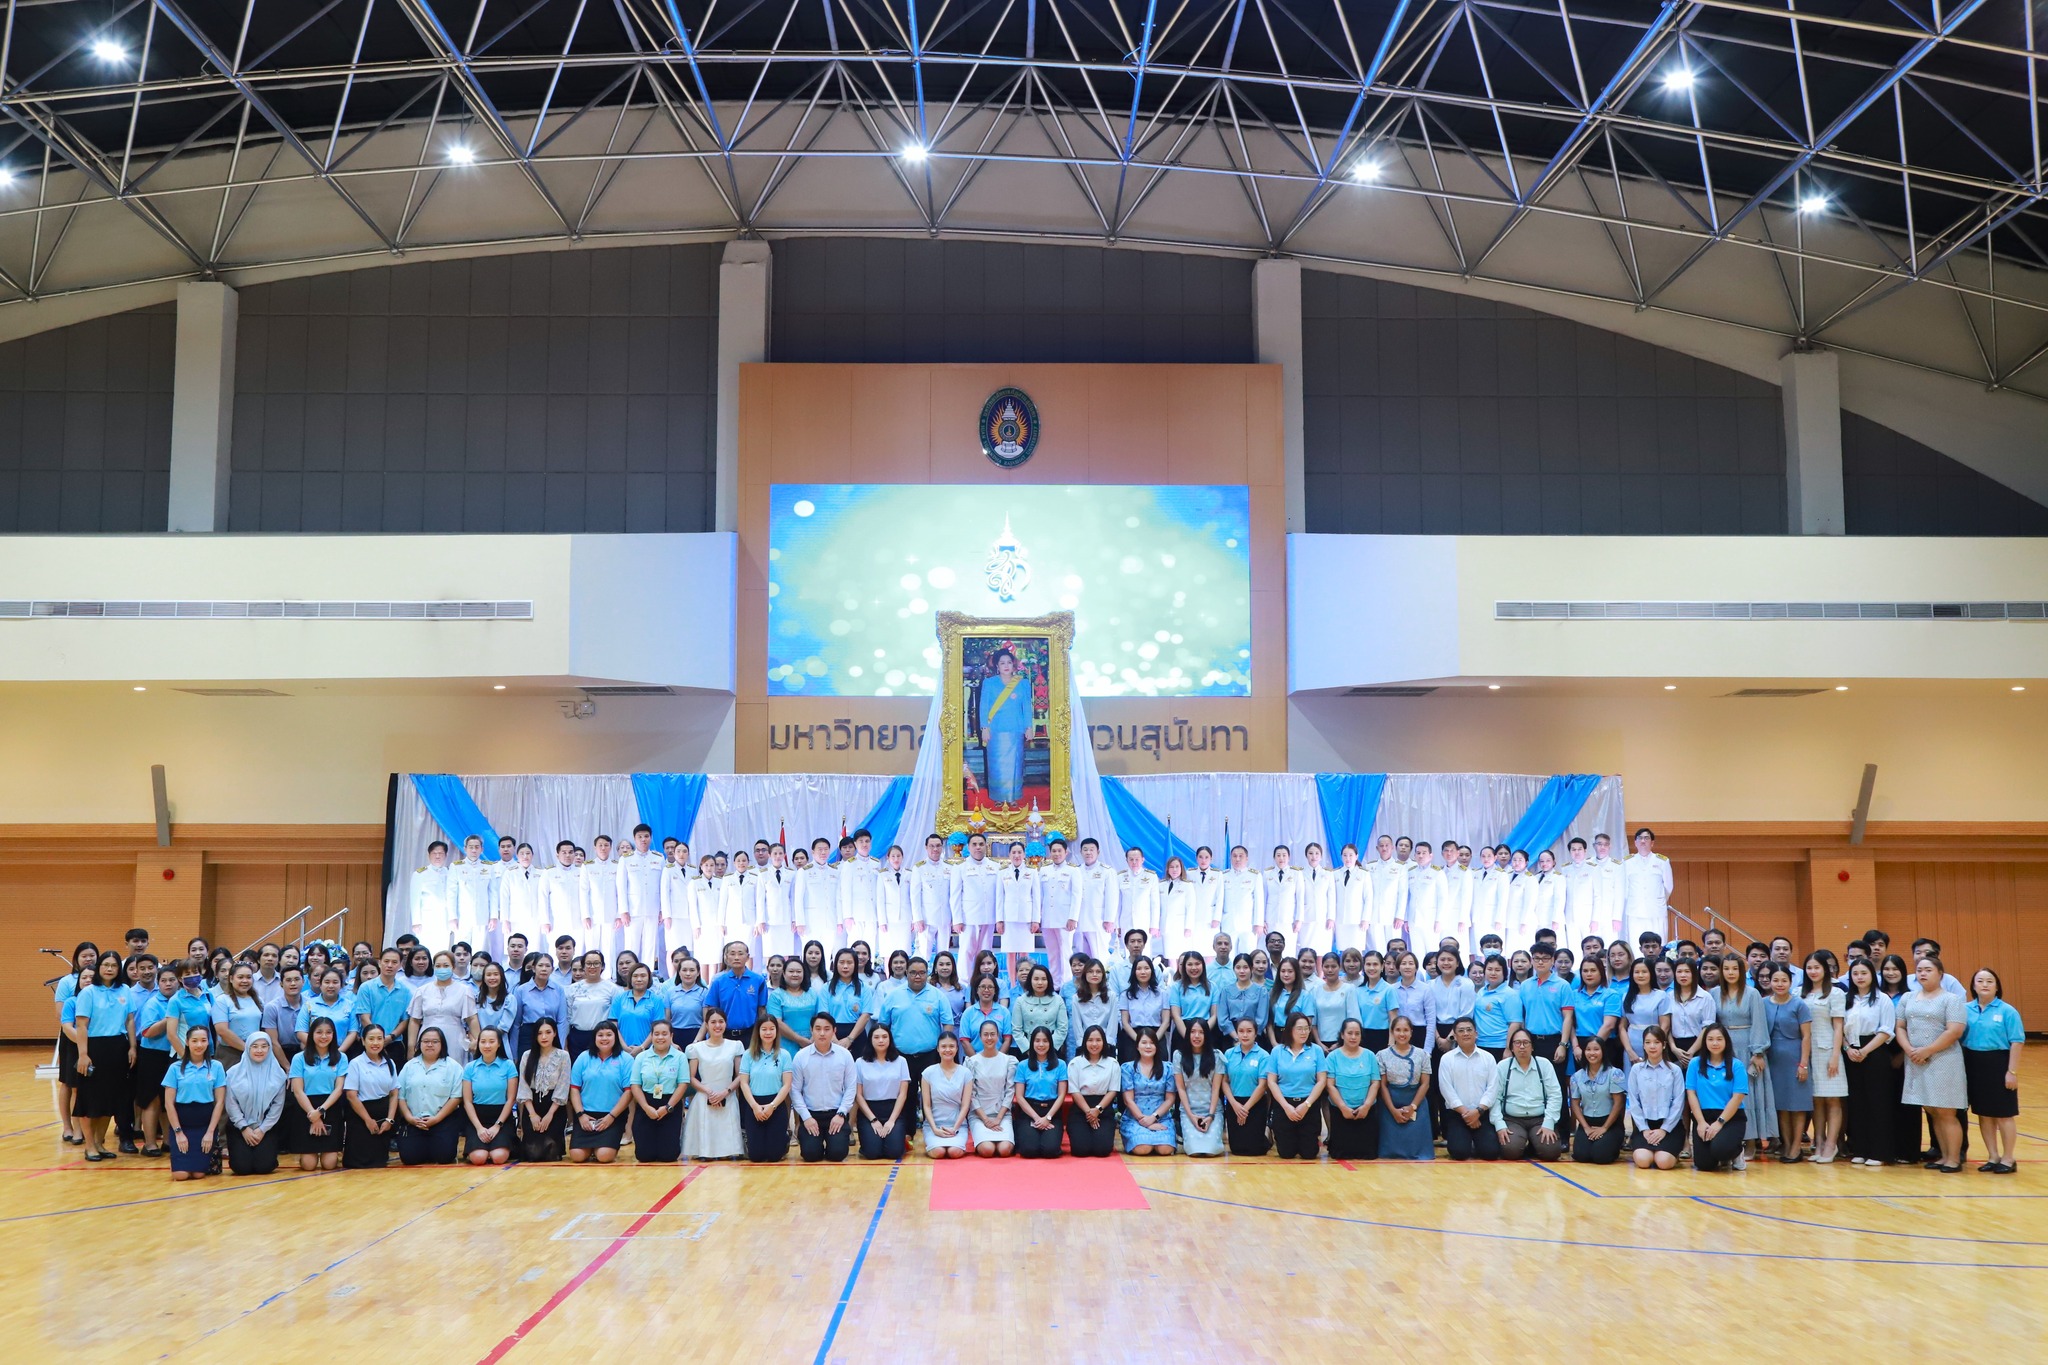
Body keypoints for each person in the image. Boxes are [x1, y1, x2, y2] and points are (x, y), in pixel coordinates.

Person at [1899, 955, 1968, 1172]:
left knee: (1946, 1111)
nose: (1923, 973)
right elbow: (1899, 1027)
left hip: (1943, 1060)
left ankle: (1954, 1158)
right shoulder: (1908, 998)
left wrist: (1928, 1050)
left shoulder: (1951, 999)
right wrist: (1909, 1050)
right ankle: (1943, 1155)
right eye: (1919, 970)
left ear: (1940, 974)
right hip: (1916, 1060)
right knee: (1932, 1110)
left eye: (1928, 970)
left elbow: (1955, 1031)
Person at [69, 953, 135, 1162]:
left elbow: (130, 1021)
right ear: (99, 967)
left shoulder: (125, 990)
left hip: (118, 1047)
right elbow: (81, 1025)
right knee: (90, 1100)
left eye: (114, 965)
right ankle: (89, 1145)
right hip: (94, 1048)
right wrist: (83, 1054)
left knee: (111, 1099)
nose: (109, 969)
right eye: (105, 965)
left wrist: (132, 1047)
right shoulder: (88, 992)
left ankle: (99, 1142)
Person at [1963, 969, 2023, 1174]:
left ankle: (2008, 1158)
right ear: (1973, 986)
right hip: (1973, 1063)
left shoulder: (2007, 1011)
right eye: (1980, 981)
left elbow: (2017, 1042)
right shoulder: (1965, 1009)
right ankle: (1993, 1156)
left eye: (1990, 981)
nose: (1985, 984)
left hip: (1999, 1063)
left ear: (1997, 986)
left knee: (2004, 1114)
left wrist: (2011, 1071)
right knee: (1984, 1113)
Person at [1839, 958, 1897, 1166]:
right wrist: (1847, 1048)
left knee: (1877, 1103)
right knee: (1856, 1103)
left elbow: (1886, 1030)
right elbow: (1838, 1027)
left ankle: (1879, 1152)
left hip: (1875, 1051)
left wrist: (1865, 1050)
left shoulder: (1883, 999)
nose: (1859, 977)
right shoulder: (1845, 999)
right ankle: (1860, 1149)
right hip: (1850, 1052)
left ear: (1872, 975)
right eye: (1855, 974)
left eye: (1864, 973)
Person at [1763, 963, 1814, 1161]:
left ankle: (1796, 1146)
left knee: (1797, 1105)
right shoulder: (1764, 1003)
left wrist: (1803, 1064)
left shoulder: (1799, 1005)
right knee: (1781, 1105)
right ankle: (1786, 1143)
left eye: (1784, 980)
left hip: (1795, 1058)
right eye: (1775, 980)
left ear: (1791, 982)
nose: (1779, 984)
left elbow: (1806, 1036)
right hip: (1773, 1061)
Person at [792, 1013, 858, 1163]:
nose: (822, 1033)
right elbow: (795, 1090)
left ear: (834, 1031)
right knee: (810, 1155)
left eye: (827, 1029)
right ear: (811, 1030)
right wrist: (806, 1117)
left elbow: (851, 1087)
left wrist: (841, 1114)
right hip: (811, 1115)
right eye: (818, 1029)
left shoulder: (845, 1055)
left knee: (837, 1154)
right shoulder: (800, 1057)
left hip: (836, 1114)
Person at [162, 1025, 225, 1181]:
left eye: (203, 1040)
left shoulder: (216, 1067)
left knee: (199, 1174)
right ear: (187, 1042)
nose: (199, 1045)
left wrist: (210, 1132)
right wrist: (178, 1133)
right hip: (182, 1123)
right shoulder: (175, 1068)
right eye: (195, 1041)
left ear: (208, 1042)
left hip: (205, 1124)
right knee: (180, 1175)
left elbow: (219, 1102)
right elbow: (169, 1104)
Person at [1800, 953, 1847, 1162]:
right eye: (1809, 968)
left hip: (1828, 1050)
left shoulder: (1836, 993)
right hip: (1807, 1052)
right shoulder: (1799, 993)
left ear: (1825, 970)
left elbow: (1838, 1027)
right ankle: (1818, 1142)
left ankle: (1831, 1144)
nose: (1813, 971)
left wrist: (1835, 1055)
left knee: (1833, 1098)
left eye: (1817, 967)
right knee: (1816, 1099)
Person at [395, 1026, 464, 1166]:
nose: (430, 1044)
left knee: (444, 1157)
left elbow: (456, 1097)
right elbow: (400, 1096)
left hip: (442, 1120)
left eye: (435, 1041)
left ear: (442, 1044)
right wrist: (409, 1118)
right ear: (419, 1044)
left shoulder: (454, 1067)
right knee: (409, 1158)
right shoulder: (409, 1066)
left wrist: (437, 1119)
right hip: (415, 1121)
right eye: (426, 1041)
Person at [1492, 1025, 1563, 1161]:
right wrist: (1499, 1125)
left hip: (1539, 1118)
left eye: (1526, 1042)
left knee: (1551, 1152)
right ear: (1512, 1047)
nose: (1522, 1046)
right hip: (1512, 1118)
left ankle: (1534, 1145)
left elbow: (1555, 1095)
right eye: (1517, 1043)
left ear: (1532, 1046)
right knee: (1510, 1151)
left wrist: (1549, 1123)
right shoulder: (1503, 1066)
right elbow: (1495, 1098)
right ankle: (1523, 1143)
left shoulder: (1544, 1064)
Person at [286, 1016, 348, 1171]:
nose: (324, 1036)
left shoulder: (341, 1057)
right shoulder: (299, 1058)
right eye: (319, 1032)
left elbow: (339, 1089)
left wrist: (320, 1111)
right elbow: (298, 1091)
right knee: (309, 1165)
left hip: (330, 1108)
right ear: (311, 1034)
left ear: (333, 1035)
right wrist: (313, 1115)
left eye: (328, 1032)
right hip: (306, 1109)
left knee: (329, 1164)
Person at [223, 1030, 288, 1176]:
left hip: (266, 1127)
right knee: (241, 1168)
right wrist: (244, 1128)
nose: (259, 1050)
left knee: (264, 1167)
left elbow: (277, 1106)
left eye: (264, 1046)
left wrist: (262, 1129)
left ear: (269, 1048)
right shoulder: (233, 1073)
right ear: (248, 1048)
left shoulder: (279, 1075)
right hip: (239, 1127)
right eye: (255, 1046)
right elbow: (231, 1104)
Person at [567, 1020, 632, 1163]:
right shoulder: (583, 1057)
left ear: (615, 1037)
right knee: (577, 1156)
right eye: (600, 1035)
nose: (604, 1038)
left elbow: (628, 1092)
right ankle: (591, 1149)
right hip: (586, 1115)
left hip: (612, 1115)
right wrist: (581, 1115)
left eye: (609, 1034)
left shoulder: (626, 1059)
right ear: (594, 1038)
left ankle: (600, 1148)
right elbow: (574, 1089)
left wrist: (611, 1117)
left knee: (604, 1156)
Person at [1686, 1022, 1748, 1172]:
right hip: (1704, 1117)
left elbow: (1737, 1098)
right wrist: (1700, 1122)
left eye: (1719, 1039)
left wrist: (1719, 1123)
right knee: (1704, 1165)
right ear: (1704, 1042)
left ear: (1726, 1042)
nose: (1715, 1043)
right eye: (1710, 1039)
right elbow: (1691, 1093)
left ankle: (1736, 1152)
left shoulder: (1737, 1065)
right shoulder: (1695, 1064)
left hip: (1730, 1118)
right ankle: (1718, 1153)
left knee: (1721, 1150)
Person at [1437, 1018, 1502, 1161]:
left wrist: (1478, 1111)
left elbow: (1492, 1089)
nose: (1465, 1033)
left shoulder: (1488, 1058)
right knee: (1459, 1153)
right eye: (1461, 1031)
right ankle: (1467, 1142)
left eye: (1469, 1030)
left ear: (1476, 1034)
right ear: (1455, 1036)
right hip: (1457, 1114)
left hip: (1482, 1113)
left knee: (1491, 1153)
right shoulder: (1447, 1059)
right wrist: (1466, 1113)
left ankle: (1476, 1142)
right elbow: (1446, 1090)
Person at [1263, 1015, 1326, 1160]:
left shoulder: (1316, 1050)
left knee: (1309, 1154)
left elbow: (1321, 1081)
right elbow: (1271, 1082)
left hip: (1308, 1104)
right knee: (1286, 1153)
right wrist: (1286, 1107)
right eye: (1299, 1029)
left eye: (1306, 1028)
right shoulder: (1277, 1051)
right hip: (1284, 1104)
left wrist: (1307, 1104)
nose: (1304, 1032)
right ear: (1290, 1030)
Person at [1624, 1026, 1686, 1170]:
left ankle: (1671, 1152)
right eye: (1648, 1042)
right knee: (1643, 1161)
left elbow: (1678, 1103)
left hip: (1670, 1126)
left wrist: (1664, 1129)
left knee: (1663, 1162)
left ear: (1663, 1045)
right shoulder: (1636, 1070)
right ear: (1643, 1045)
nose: (1652, 1046)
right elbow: (1634, 1102)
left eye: (1656, 1042)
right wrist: (1644, 1129)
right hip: (1645, 1125)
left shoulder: (1674, 1070)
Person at [1323, 1018, 1382, 1161]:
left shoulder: (1370, 1056)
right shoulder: (1332, 1057)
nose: (1353, 1037)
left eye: (1357, 1033)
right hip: (1341, 1111)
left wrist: (1366, 1106)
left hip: (1366, 1111)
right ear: (1342, 1035)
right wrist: (1343, 1107)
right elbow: (1330, 1085)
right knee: (1340, 1153)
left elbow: (1375, 1083)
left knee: (1368, 1154)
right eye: (1350, 1033)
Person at [342, 1024, 400, 1169]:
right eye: (371, 1039)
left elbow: (394, 1094)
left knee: (380, 1161)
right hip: (361, 1115)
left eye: (379, 1039)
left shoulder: (390, 1063)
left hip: (383, 1116)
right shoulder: (355, 1063)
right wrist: (368, 1120)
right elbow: (351, 1096)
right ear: (363, 1041)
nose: (375, 1043)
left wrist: (389, 1119)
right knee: (357, 1162)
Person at [460, 1025, 520, 1165]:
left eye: (491, 1041)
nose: (487, 1045)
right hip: (477, 1118)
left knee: (498, 1157)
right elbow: (467, 1102)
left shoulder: (508, 1065)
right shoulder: (470, 1067)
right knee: (478, 1158)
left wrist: (497, 1125)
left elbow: (511, 1099)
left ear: (499, 1044)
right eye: (483, 1041)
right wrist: (479, 1128)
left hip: (501, 1117)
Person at [738, 1016, 794, 1162]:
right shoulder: (748, 1055)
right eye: (764, 1029)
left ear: (776, 1031)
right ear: (758, 1032)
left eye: (771, 1029)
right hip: (754, 1106)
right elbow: (744, 1083)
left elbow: (787, 1085)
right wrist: (755, 1106)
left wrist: (772, 1106)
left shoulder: (784, 1055)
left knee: (774, 1156)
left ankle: (784, 1140)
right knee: (756, 1156)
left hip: (776, 1105)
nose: (768, 1032)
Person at [855, 1023, 913, 1160]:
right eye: (876, 1037)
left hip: (893, 1110)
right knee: (872, 1153)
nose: (881, 1040)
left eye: (884, 1037)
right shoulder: (860, 1062)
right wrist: (873, 1120)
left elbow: (903, 1094)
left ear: (890, 1039)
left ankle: (900, 1140)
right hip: (869, 1111)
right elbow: (858, 1095)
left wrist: (891, 1120)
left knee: (894, 1152)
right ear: (870, 1039)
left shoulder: (901, 1061)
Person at [964, 1019, 1019, 1157]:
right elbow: (971, 1094)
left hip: (1002, 1113)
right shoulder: (972, 1062)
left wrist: (999, 1118)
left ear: (998, 1036)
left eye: (992, 1034)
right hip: (979, 1114)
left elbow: (1010, 1091)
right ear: (980, 1036)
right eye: (986, 1034)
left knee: (1005, 1149)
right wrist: (986, 1120)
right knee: (987, 1150)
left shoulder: (1008, 1060)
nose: (989, 1038)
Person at [1118, 1027, 1176, 1156]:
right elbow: (1128, 1100)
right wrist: (1144, 1121)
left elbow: (1170, 1099)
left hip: (1161, 1117)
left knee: (1165, 1149)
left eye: (1152, 1043)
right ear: (1137, 1046)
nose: (1148, 1046)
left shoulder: (1168, 1068)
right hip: (1135, 1118)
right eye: (1144, 1043)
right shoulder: (1128, 1068)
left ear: (1157, 1046)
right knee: (1142, 1148)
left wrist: (1153, 1118)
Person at [1065, 1025, 1121, 1157]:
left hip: (1103, 1109)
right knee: (1080, 1150)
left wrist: (1097, 1110)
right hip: (1081, 1109)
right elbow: (1074, 1091)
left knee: (1102, 1150)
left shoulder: (1112, 1063)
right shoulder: (1075, 1063)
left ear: (1104, 1042)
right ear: (1084, 1042)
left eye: (1098, 1040)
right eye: (1090, 1040)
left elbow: (1113, 1091)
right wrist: (1089, 1112)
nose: (1094, 1044)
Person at [1568, 1036, 1625, 1164]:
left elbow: (1619, 1103)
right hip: (1587, 1122)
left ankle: (1613, 1145)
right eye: (1588, 1049)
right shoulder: (1576, 1077)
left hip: (1610, 1123)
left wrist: (1604, 1128)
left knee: (1600, 1156)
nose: (1592, 1053)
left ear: (1603, 1051)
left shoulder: (1615, 1074)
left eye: (1596, 1049)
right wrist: (1586, 1127)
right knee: (1581, 1155)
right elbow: (1575, 1104)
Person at [1171, 1019, 1223, 1157]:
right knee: (1194, 1151)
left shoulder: (1217, 1056)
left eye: (1201, 1032)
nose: (1196, 1036)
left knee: (1211, 1151)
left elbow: (1216, 1089)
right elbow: (1181, 1089)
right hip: (1189, 1111)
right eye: (1193, 1032)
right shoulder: (1178, 1056)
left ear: (1206, 1035)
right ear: (1188, 1034)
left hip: (1212, 1111)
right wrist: (1191, 1116)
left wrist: (1210, 1116)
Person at [1014, 1026, 1069, 1158]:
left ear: (1050, 1043)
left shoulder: (1060, 1064)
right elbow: (1019, 1097)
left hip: (1051, 1111)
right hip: (1030, 1112)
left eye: (1045, 1041)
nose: (1041, 1044)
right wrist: (1037, 1118)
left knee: (1050, 1150)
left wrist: (1047, 1118)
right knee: (1029, 1151)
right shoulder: (1023, 1065)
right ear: (1032, 1043)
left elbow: (1062, 1095)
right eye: (1037, 1041)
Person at [922, 1031, 973, 1159]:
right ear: (938, 1049)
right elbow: (926, 1105)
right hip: (933, 1125)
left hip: (958, 1125)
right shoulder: (928, 1073)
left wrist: (955, 1128)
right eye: (943, 1046)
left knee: (954, 1152)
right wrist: (934, 1129)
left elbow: (965, 1105)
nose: (947, 1050)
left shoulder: (965, 1073)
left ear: (957, 1048)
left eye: (951, 1046)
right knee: (938, 1152)